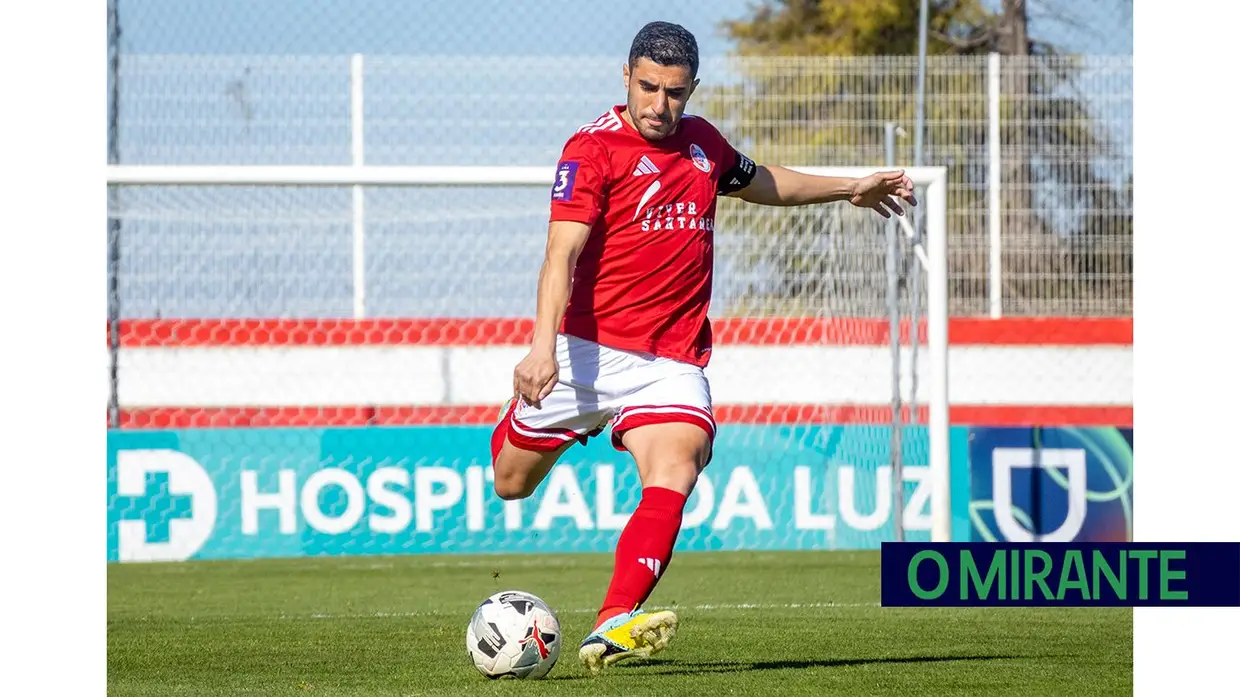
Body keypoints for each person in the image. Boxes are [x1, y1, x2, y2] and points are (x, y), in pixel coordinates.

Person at [488, 21, 917, 675]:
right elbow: (561, 254)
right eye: (649, 88)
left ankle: (613, 620)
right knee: (510, 481)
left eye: (676, 93)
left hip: (671, 361)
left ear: (692, 89)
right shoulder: (591, 150)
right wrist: (540, 349)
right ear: (626, 76)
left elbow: (761, 180)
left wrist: (848, 188)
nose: (661, 105)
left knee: (677, 467)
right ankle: (536, 426)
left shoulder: (703, 146)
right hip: (585, 352)